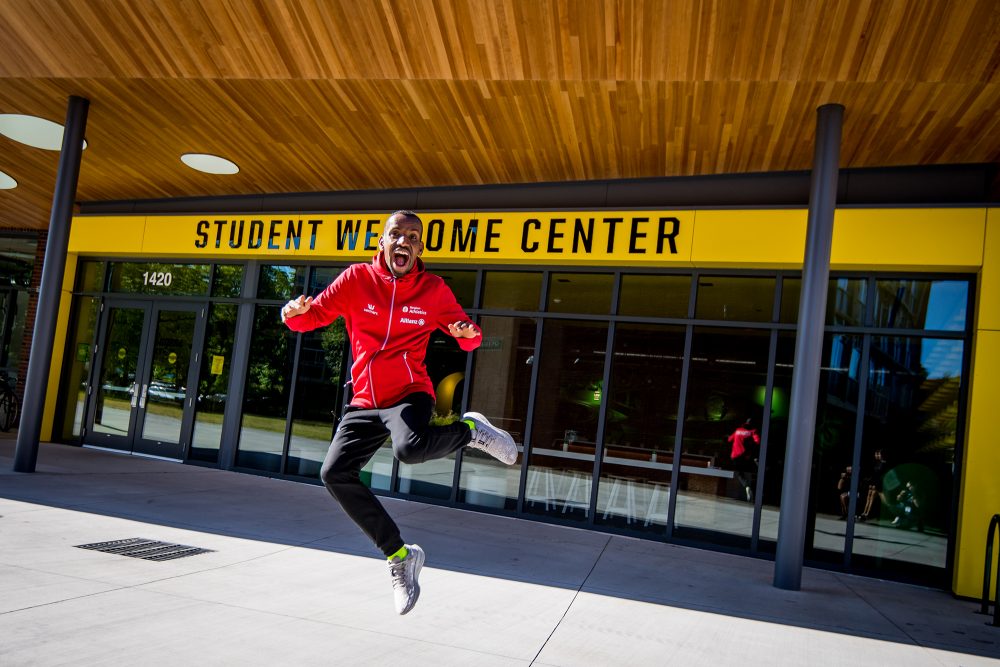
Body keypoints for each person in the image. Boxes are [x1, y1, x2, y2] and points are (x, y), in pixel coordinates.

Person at [281, 210, 518, 615]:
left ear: (420, 247)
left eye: (412, 236)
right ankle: (399, 556)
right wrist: (292, 314)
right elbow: (313, 316)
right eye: (396, 234)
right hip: (365, 401)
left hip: (410, 393)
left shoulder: (432, 289)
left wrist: (467, 333)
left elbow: (468, 336)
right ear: (383, 241)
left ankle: (471, 431)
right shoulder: (356, 279)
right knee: (333, 473)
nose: (403, 241)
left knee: (409, 448)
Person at [727, 418, 760, 502]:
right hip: (745, 456)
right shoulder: (753, 431)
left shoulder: (738, 430)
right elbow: (757, 441)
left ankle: (746, 486)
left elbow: (729, 439)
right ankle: (752, 488)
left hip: (735, 456)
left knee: (740, 473)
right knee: (754, 471)